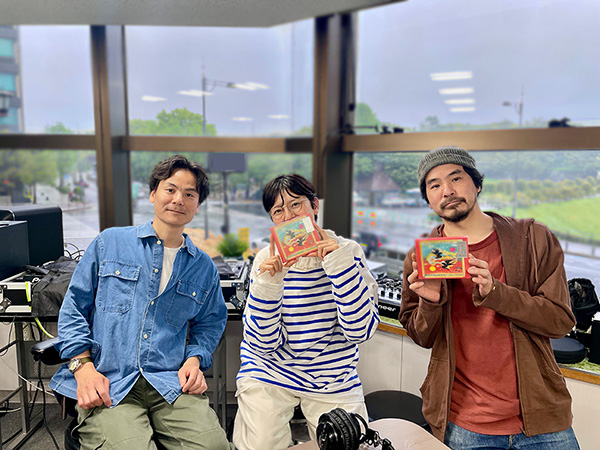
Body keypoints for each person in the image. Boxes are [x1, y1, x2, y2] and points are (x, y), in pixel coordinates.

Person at [400, 146, 580, 449]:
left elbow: (560, 321)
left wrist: (497, 293)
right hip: (463, 423)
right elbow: (422, 337)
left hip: (542, 419)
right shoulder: (423, 257)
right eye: (434, 185)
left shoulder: (532, 239)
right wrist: (430, 303)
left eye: (456, 178)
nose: (447, 191)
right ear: (428, 199)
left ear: (477, 183)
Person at [50, 155, 232, 450]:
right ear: (153, 194)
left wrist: (195, 359)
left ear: (197, 205)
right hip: (110, 380)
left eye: (189, 194)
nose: (178, 200)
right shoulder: (110, 243)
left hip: (168, 383)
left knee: (215, 447)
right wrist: (82, 367)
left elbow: (210, 323)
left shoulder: (203, 267)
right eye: (170, 190)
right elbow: (74, 308)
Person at [233, 174, 380, 450]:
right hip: (270, 370)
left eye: (296, 204)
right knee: (261, 443)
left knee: (350, 444)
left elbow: (360, 331)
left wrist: (339, 266)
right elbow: (262, 344)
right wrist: (269, 285)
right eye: (278, 211)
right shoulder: (266, 260)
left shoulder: (347, 252)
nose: (289, 216)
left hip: (333, 374)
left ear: (314, 206)